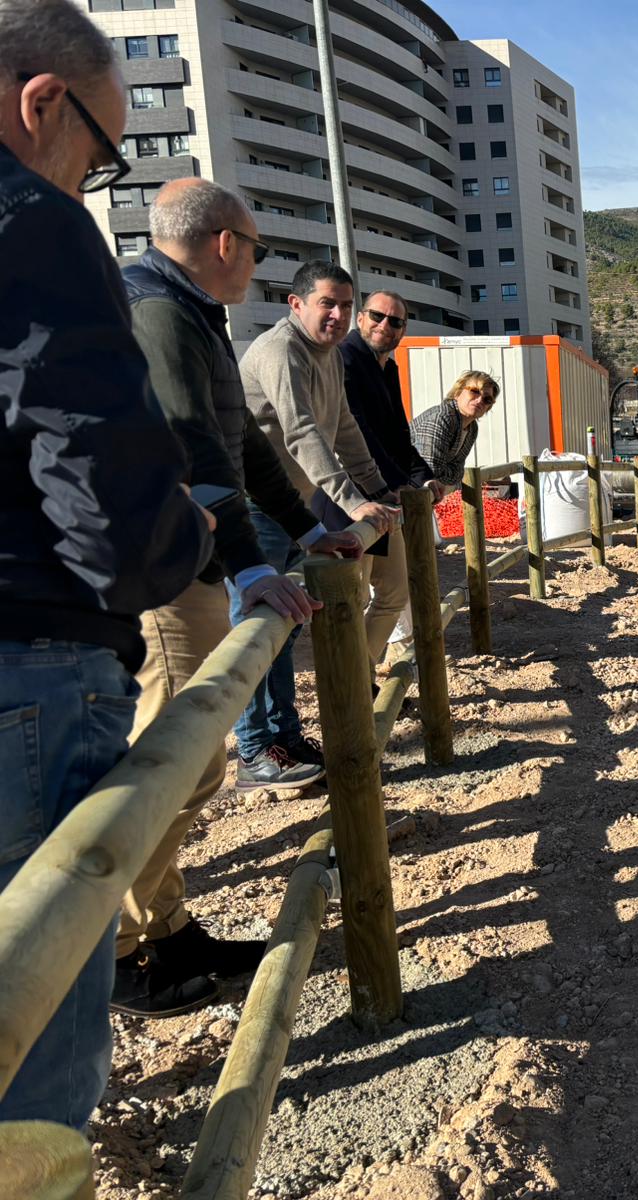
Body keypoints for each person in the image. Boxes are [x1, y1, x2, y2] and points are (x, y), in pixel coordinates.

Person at [0, 0, 213, 1129]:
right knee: (31, 1025)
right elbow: (99, 470)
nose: (96, 182)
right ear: (42, 101)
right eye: (100, 151)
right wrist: (185, 544)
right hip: (27, 658)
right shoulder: (29, 220)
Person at [118, 179, 364, 1015]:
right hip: (163, 568)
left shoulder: (190, 313)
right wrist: (245, 565)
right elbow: (195, 446)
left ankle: (164, 924)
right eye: (255, 250)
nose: (256, 267)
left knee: (191, 761)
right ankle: (123, 947)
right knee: (168, 758)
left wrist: (297, 532)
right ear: (225, 242)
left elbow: (245, 448)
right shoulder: (158, 312)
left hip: (189, 559)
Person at [238, 261, 398, 764]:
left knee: (286, 624)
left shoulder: (326, 355)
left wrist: (379, 489)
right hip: (253, 505)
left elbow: (344, 427)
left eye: (345, 305)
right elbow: (301, 432)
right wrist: (355, 502)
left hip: (291, 505)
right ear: (296, 304)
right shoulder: (282, 350)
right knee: (255, 628)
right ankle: (255, 748)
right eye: (328, 303)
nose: (338, 314)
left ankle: (284, 735)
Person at [338, 290, 443, 663]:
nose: (385, 325)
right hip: (349, 500)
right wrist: (398, 484)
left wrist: (422, 478)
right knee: (356, 597)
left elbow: (398, 436)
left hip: (386, 499)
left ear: (403, 329)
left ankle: (360, 672)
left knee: (395, 594)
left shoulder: (389, 368)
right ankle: (356, 685)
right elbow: (356, 435)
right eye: (378, 316)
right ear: (361, 318)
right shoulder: (345, 360)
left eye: (395, 321)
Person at [412, 370, 499, 488]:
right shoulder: (441, 418)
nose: (479, 400)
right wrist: (449, 474)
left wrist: (448, 474)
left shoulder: (472, 428)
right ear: (457, 392)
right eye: (474, 391)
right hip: (395, 489)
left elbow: (458, 471)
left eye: (487, 399)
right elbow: (431, 471)